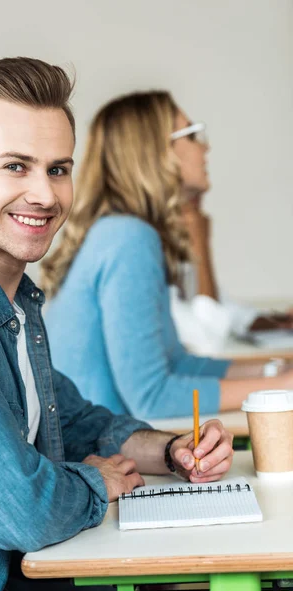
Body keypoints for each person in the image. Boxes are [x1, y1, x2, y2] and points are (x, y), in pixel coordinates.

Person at [0, 60, 234, 591]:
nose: (46, 196)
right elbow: (22, 511)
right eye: (15, 166)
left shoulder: (10, 299)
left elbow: (72, 421)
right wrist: (97, 481)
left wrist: (172, 451)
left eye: (57, 169)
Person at [41, 90, 293, 420]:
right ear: (155, 152)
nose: (205, 146)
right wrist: (282, 387)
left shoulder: (124, 232)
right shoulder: (128, 238)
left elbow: (175, 362)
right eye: (192, 134)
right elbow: (151, 396)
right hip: (103, 457)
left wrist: (274, 370)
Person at [169, 142, 293, 354]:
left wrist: (283, 320)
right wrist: (200, 244)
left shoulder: (182, 261)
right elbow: (206, 345)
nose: (198, 206)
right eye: (191, 196)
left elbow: (232, 314)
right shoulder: (149, 255)